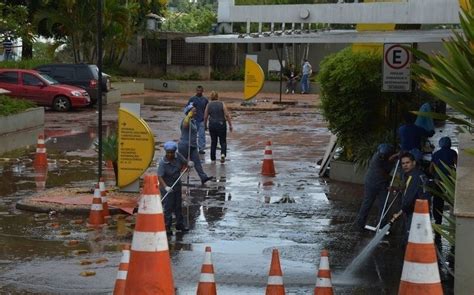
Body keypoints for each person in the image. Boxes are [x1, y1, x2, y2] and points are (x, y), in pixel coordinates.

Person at [354, 143, 397, 230]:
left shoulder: (391, 157)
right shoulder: (377, 158)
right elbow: (383, 174)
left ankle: (382, 225)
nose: (383, 157)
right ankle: (360, 223)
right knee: (367, 203)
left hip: (383, 184)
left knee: (384, 205)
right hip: (371, 183)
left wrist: (396, 156)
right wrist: (392, 178)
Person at [397, 152, 430, 245]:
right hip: (420, 211)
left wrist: (401, 211)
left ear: (414, 163)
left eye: (407, 163)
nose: (405, 165)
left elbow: (408, 199)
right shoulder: (419, 174)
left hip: (416, 213)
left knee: (409, 241)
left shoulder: (414, 177)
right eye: (403, 163)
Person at [157, 141, 190, 234]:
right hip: (166, 187)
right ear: (166, 152)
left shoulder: (178, 156)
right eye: (168, 152)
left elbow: (185, 163)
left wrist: (188, 164)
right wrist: (166, 186)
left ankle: (180, 224)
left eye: (172, 152)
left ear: (174, 151)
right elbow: (159, 176)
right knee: (168, 207)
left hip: (177, 185)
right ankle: (167, 226)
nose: (170, 154)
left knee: (178, 205)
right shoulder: (163, 163)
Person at [429, 137, 457, 242]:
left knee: (438, 200)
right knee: (452, 200)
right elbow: (457, 165)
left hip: (438, 181)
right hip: (450, 181)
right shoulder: (453, 152)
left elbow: (431, 168)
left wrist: (435, 176)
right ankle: (453, 221)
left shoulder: (436, 154)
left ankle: (438, 221)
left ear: (440, 144)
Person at [178, 103, 213, 186]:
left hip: (193, 146)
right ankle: (173, 178)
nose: (195, 113)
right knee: (180, 164)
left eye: (195, 111)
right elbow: (185, 125)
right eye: (194, 111)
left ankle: (203, 177)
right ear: (189, 112)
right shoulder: (185, 120)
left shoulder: (193, 121)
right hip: (185, 145)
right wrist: (188, 116)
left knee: (197, 163)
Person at [204, 91, 233, 164]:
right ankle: (223, 154)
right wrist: (230, 125)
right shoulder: (222, 104)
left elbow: (205, 116)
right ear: (217, 96)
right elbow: (227, 115)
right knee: (223, 141)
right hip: (221, 124)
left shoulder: (208, 105)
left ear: (211, 97)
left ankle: (213, 158)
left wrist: (205, 125)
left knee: (213, 142)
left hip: (212, 125)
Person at [187, 86, 208, 154]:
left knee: (202, 135)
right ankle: (192, 147)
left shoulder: (205, 100)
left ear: (202, 91)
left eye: (200, 91)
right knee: (193, 135)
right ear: (196, 91)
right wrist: (189, 117)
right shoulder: (192, 99)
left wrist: (206, 121)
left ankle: (201, 149)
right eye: (198, 90)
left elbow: (207, 110)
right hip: (194, 120)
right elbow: (187, 108)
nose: (199, 92)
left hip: (202, 120)